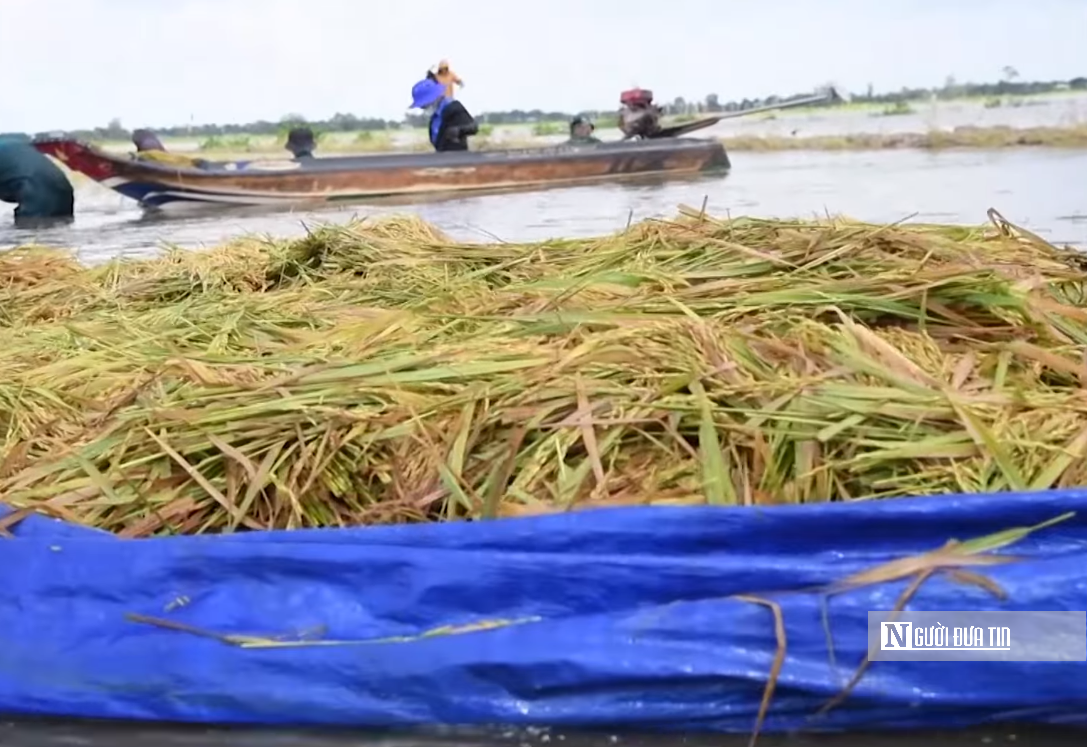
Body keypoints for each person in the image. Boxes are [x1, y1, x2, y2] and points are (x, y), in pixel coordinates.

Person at [0, 133, 74, 226]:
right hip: (64, 190)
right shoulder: (14, 142)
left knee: (29, 232)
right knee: (59, 231)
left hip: (37, 192)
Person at [410, 78, 478, 152]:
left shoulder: (454, 107)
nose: (423, 108)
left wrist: (459, 130)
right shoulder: (434, 118)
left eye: (424, 105)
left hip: (458, 156)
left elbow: (473, 127)